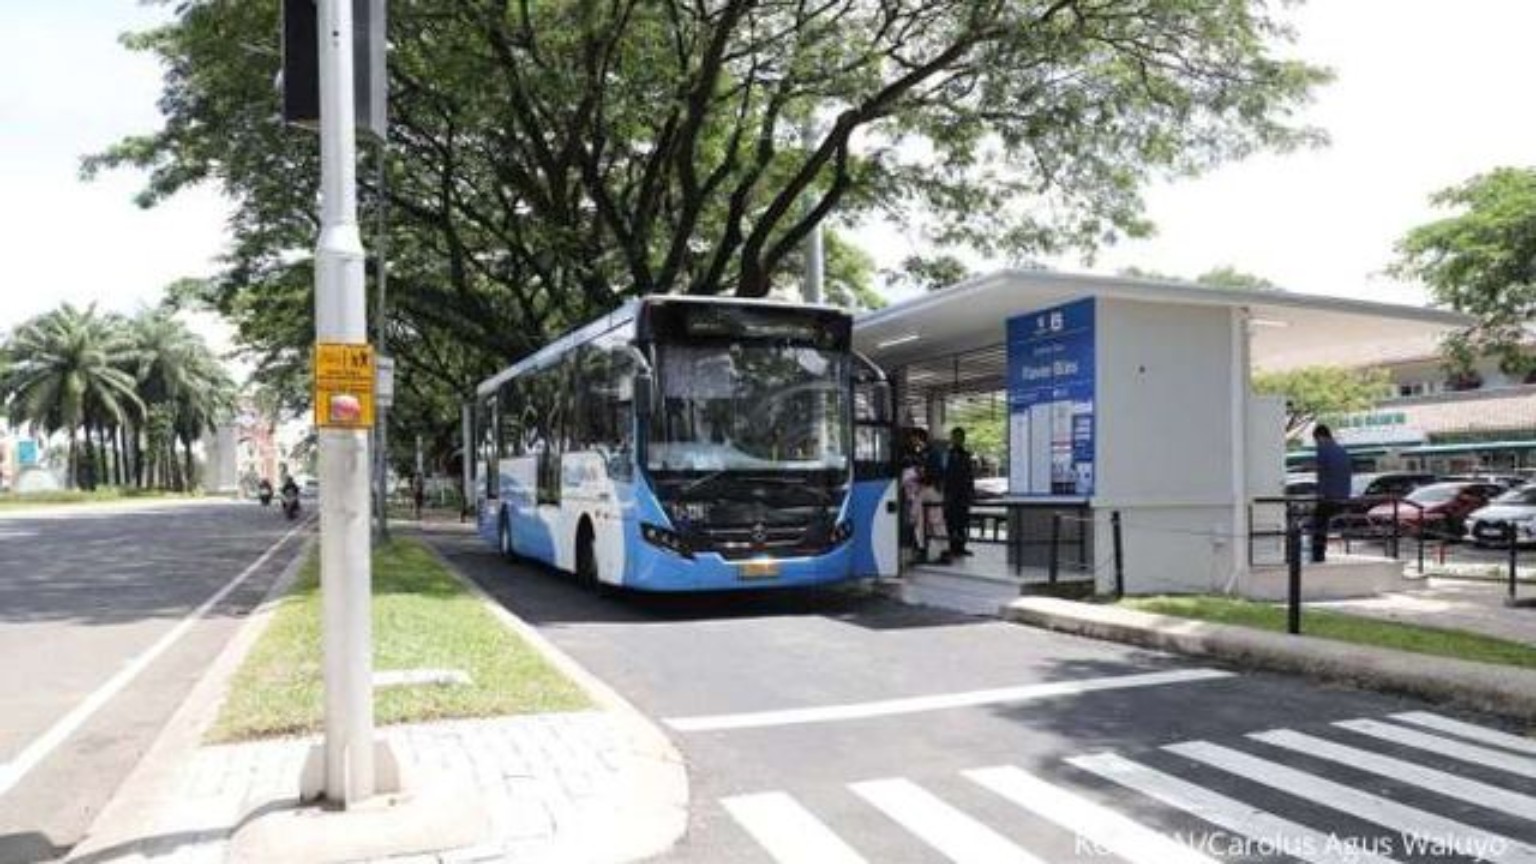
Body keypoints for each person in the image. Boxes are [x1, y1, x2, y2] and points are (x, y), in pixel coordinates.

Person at [1312, 423, 1353, 563]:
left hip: (1329, 496)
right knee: (1323, 522)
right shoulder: (1342, 450)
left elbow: (1322, 475)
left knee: (1318, 524)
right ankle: (1320, 553)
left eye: (1316, 440)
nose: (1316, 444)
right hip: (1344, 496)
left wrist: (1320, 494)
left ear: (1320, 437)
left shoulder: (1323, 449)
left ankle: (1318, 555)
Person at [940, 426, 976, 562]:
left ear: (963, 439)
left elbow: (970, 476)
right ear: (951, 438)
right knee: (950, 521)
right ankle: (950, 547)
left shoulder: (966, 455)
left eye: (960, 437)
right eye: (955, 437)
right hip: (950, 494)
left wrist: (971, 493)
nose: (957, 440)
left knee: (962, 522)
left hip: (963, 495)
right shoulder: (947, 455)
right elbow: (944, 474)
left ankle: (960, 547)